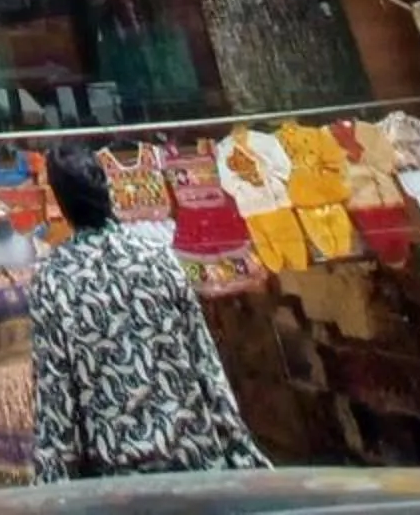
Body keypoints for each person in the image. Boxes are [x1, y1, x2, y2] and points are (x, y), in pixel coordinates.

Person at [28, 143, 268, 481]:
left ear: (62, 203)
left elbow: (56, 398)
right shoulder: (158, 258)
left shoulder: (54, 280)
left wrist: (53, 488)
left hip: (118, 478)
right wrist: (240, 452)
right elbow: (205, 362)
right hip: (196, 461)